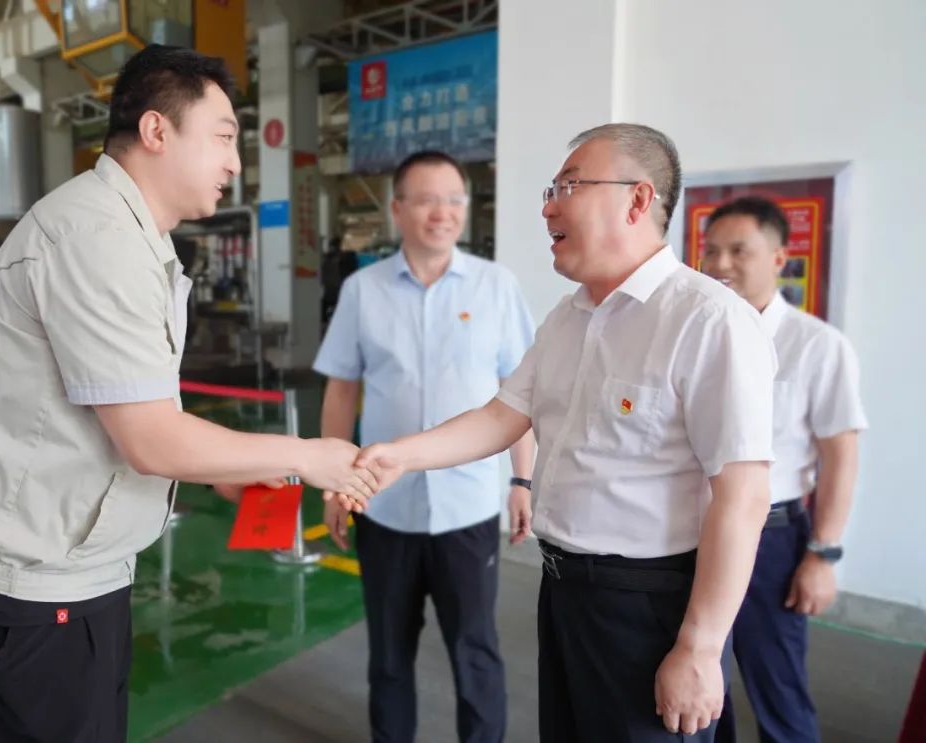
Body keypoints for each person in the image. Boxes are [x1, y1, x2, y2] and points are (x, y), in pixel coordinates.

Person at [0, 45, 376, 743]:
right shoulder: (95, 237)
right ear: (157, 130)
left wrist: (227, 470)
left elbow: (131, 409)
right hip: (30, 589)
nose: (235, 163)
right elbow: (151, 440)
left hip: (67, 572)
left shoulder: (127, 234)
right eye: (223, 137)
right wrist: (307, 454)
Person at [348, 123, 778, 742]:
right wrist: (398, 456)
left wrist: (700, 647)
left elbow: (744, 497)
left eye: (569, 187)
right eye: (551, 190)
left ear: (637, 200)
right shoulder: (569, 316)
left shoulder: (708, 321)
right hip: (565, 591)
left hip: (651, 606)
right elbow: (501, 416)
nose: (548, 207)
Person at [314, 149, 536, 743]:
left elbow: (522, 395)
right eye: (427, 200)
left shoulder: (496, 287)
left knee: (475, 651)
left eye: (454, 200)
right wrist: (335, 486)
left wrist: (522, 480)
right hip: (384, 508)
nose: (443, 212)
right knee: (389, 655)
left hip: (468, 509)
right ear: (398, 209)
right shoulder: (363, 291)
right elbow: (341, 390)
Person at [701, 196, 867, 743]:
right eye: (711, 250)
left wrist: (822, 554)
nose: (720, 264)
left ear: (779, 257)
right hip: (693, 533)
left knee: (778, 692)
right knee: (702, 691)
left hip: (770, 542)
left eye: (738, 251)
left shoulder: (817, 346)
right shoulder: (697, 334)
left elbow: (840, 456)